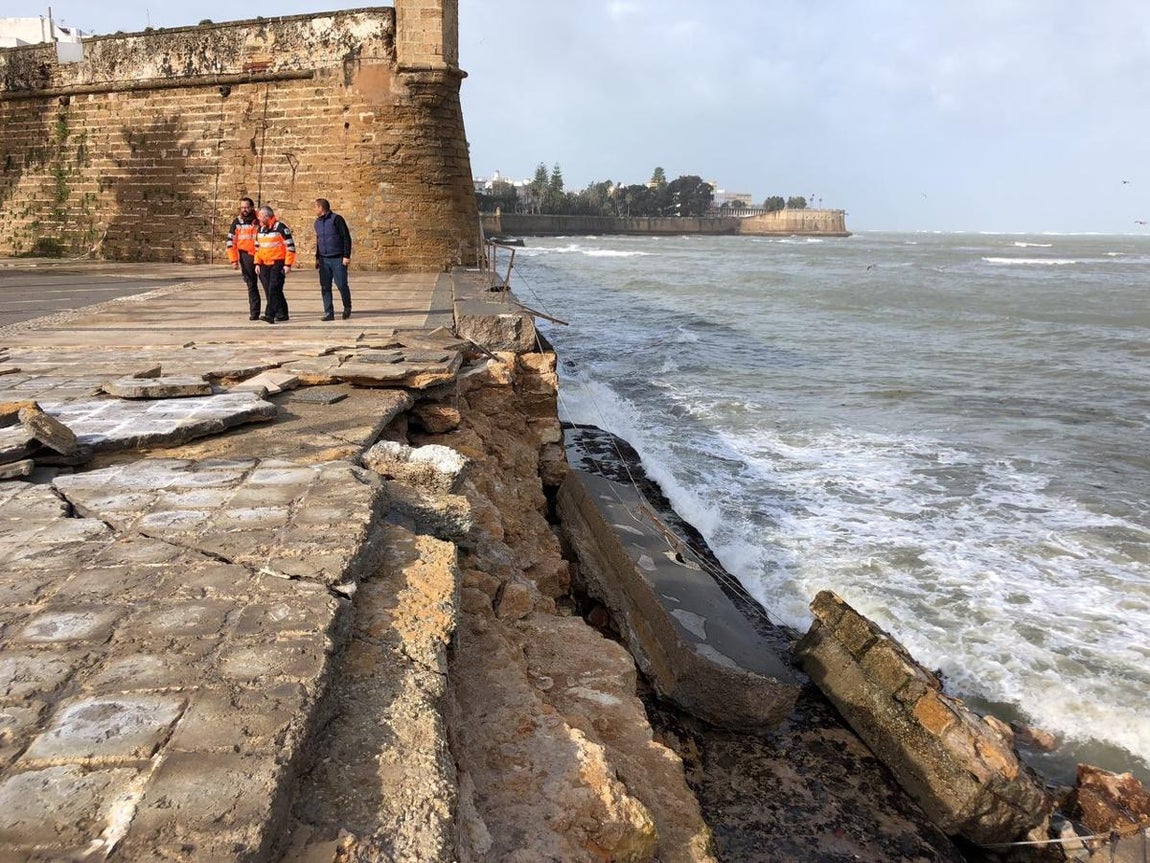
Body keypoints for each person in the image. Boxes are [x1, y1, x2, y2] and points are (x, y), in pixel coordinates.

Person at [253, 205, 296, 324]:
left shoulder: (281, 228)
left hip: (278, 263)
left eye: (260, 216)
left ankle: (269, 315)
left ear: (267, 216)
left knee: (273, 289)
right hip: (264, 264)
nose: (258, 219)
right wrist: (257, 263)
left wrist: (288, 265)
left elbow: (290, 247)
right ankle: (282, 314)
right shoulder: (260, 229)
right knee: (273, 290)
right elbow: (257, 248)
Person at [313, 197, 352, 320]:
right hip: (324, 259)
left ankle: (347, 306)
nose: (314, 209)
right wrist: (317, 258)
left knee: (341, 284)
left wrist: (346, 256)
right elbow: (319, 241)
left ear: (321, 208)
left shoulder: (337, 219)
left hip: (338, 258)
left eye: (315, 207)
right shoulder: (317, 223)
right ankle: (329, 312)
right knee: (325, 286)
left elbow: (346, 237)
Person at [225, 197, 261, 320]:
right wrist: (234, 260)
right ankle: (254, 312)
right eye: (242, 207)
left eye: (247, 207)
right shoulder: (237, 222)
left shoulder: (259, 220)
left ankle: (274, 311)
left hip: (261, 254)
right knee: (251, 284)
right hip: (246, 256)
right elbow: (231, 242)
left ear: (252, 207)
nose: (244, 210)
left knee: (268, 284)